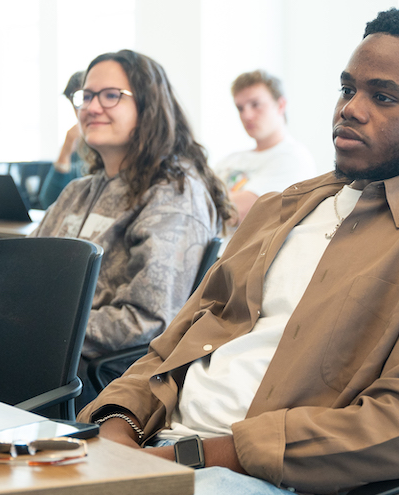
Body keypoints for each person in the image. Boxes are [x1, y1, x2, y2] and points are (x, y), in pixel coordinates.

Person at [79, 7, 399, 494]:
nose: (350, 108)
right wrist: (116, 428)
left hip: (269, 479)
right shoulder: (283, 208)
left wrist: (187, 457)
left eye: (383, 96)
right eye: (348, 88)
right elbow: (172, 346)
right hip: (157, 450)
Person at [38, 50, 232, 402]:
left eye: (111, 95)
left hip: (96, 374)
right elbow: (20, 270)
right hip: (45, 348)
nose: (92, 107)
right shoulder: (77, 191)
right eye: (86, 95)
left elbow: (148, 320)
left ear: (149, 107)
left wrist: (37, 327)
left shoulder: (172, 193)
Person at [212, 70, 316, 225]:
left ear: (281, 105)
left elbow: (240, 212)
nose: (246, 115)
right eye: (240, 108)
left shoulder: (293, 157)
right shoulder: (229, 160)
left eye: (255, 104)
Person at [38, 71, 87, 209]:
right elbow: (49, 201)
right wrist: (66, 150)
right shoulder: (74, 140)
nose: (81, 110)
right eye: (76, 103)